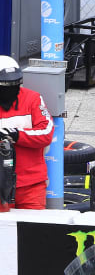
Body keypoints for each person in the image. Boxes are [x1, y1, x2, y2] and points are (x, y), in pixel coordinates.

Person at [0, 55, 54, 209]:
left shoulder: (33, 99)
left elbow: (47, 132)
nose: (10, 89)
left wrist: (17, 135)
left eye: (14, 84)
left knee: (34, 232)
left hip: (31, 186)